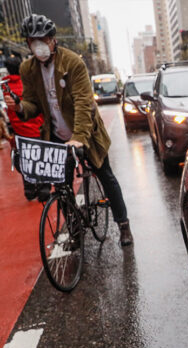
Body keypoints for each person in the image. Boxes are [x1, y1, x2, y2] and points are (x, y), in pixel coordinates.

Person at [3, 14, 133, 246]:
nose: (39, 45)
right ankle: (74, 227)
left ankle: (123, 224)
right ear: (28, 44)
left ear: (53, 40)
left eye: (43, 39)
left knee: (106, 175)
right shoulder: (28, 68)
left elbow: (84, 103)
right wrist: (21, 106)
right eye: (33, 41)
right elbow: (33, 105)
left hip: (86, 134)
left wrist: (79, 139)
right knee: (61, 185)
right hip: (55, 135)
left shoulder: (72, 62)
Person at [2, 56, 49, 201]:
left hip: (20, 131)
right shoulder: (27, 83)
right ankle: (44, 189)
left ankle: (29, 189)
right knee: (41, 159)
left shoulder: (6, 88)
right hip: (36, 128)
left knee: (26, 160)